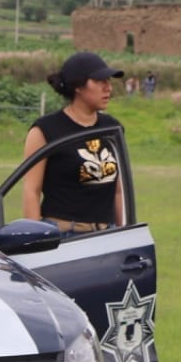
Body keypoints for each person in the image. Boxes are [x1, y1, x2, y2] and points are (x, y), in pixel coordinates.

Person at [22, 51, 125, 235]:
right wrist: (35, 243)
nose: (108, 87)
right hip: (63, 237)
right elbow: (32, 191)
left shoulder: (113, 128)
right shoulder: (45, 130)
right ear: (78, 86)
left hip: (107, 235)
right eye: (100, 81)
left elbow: (118, 191)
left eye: (108, 81)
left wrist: (124, 233)